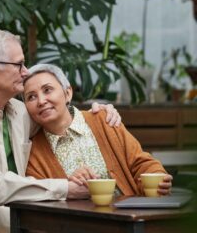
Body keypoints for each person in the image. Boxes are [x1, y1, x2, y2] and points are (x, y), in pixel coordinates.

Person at [0, 28, 122, 233]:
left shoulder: (18, 111)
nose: (26, 71)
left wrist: (96, 114)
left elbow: (57, 114)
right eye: (18, 64)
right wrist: (66, 189)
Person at [24, 63, 172, 196]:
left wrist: (158, 178)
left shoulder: (104, 120)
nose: (41, 101)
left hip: (128, 218)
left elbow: (139, 162)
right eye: (31, 97)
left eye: (47, 90)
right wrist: (67, 186)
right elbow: (42, 203)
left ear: (67, 93)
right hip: (76, 223)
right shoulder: (33, 153)